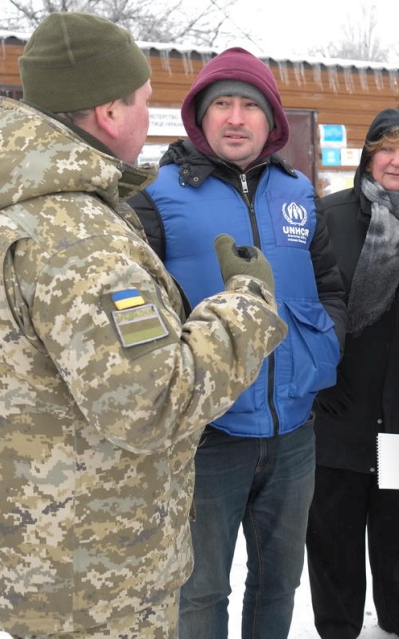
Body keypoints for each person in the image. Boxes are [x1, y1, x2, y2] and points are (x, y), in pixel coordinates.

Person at [0, 13, 287, 639]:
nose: (149, 117)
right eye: (144, 101)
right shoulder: (74, 234)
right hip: (98, 576)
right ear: (109, 113)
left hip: (25, 555)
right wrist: (246, 305)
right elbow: (151, 402)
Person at [128, 47, 346, 639]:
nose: (234, 117)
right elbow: (139, 312)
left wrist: (323, 354)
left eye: (249, 105)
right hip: (208, 433)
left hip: (294, 430)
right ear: (199, 116)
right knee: (200, 591)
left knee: (279, 583)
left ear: (270, 119)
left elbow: (329, 289)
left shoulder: (299, 192)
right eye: (220, 103)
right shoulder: (157, 194)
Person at [304, 109, 399, 639]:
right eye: (386, 149)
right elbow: (304, 305)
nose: (397, 161)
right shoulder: (330, 217)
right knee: (332, 527)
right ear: (369, 156)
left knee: (394, 523)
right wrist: (321, 379)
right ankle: (338, 625)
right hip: (338, 401)